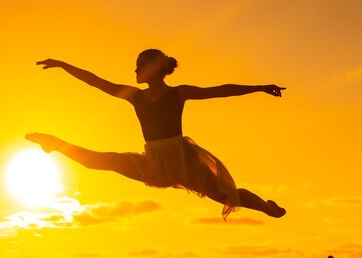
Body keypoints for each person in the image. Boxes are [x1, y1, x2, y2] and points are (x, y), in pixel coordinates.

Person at [26, 49, 287, 220]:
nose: (135, 72)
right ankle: (54, 143)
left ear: (152, 68)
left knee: (224, 194)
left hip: (182, 161)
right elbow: (96, 81)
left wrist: (259, 87)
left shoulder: (178, 93)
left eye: (139, 66)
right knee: (101, 161)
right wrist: (63, 64)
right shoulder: (135, 96)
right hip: (153, 160)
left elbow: (219, 90)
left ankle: (267, 207)